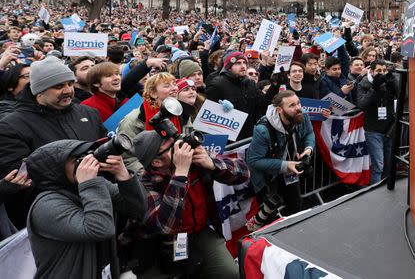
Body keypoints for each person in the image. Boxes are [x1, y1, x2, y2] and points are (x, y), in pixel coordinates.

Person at [0, 56, 106, 228]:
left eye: (70, 84)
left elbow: (101, 148)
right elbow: (20, 180)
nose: (68, 90)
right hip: (53, 217)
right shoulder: (11, 126)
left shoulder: (88, 113)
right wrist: (75, 174)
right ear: (38, 91)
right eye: (58, 86)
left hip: (98, 201)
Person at [125, 133, 248, 278]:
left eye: (175, 140)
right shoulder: (145, 182)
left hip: (197, 231)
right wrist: (180, 174)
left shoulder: (194, 161)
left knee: (230, 274)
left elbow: (245, 173)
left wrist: (212, 164)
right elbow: (165, 226)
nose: (180, 147)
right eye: (172, 147)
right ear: (157, 162)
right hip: (158, 245)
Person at [25, 139, 147, 279]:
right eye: (77, 160)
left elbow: (137, 209)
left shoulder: (90, 184)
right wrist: (89, 183)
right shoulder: (45, 205)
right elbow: (100, 229)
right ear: (56, 171)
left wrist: (123, 174)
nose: (86, 163)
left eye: (85, 156)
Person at [246, 90, 315, 231]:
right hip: (267, 177)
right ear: (279, 110)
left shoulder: (302, 115)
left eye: (298, 103)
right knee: (271, 220)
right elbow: (253, 161)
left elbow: (309, 133)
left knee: (296, 206)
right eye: (292, 105)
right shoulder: (263, 130)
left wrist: (308, 149)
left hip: (289, 172)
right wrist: (286, 165)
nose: (298, 108)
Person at [204, 51, 265, 139]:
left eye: (244, 63)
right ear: (229, 67)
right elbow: (208, 116)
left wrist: (275, 86)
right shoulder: (217, 84)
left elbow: (262, 104)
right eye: (238, 63)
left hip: (248, 136)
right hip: (227, 138)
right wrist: (220, 110)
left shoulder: (251, 83)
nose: (243, 66)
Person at [357, 59, 398, 185]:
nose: (382, 73)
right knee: (378, 165)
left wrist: (393, 83)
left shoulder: (388, 82)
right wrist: (374, 88)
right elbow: (361, 104)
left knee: (389, 163)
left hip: (389, 128)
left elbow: (402, 95)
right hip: (373, 130)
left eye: (384, 71)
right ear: (372, 71)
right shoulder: (363, 83)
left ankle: (386, 188)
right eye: (379, 71)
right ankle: (375, 191)